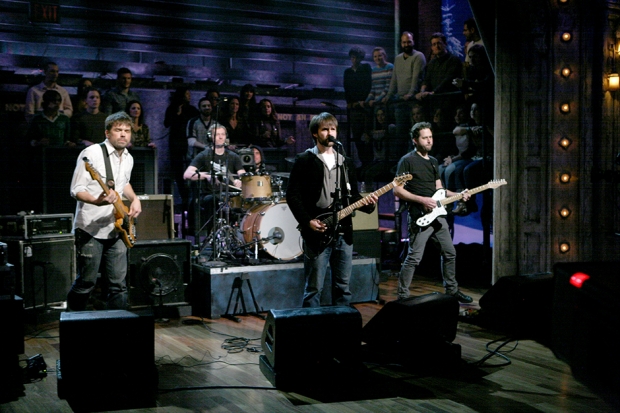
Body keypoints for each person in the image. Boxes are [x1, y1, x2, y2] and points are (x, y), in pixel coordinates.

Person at [286, 112, 377, 307]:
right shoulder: (305, 159)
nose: (330, 133)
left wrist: (368, 204)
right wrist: (307, 221)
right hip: (317, 230)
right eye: (325, 129)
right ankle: (312, 330)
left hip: (343, 232)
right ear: (315, 134)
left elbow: (352, 197)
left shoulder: (346, 162)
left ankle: (341, 329)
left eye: (333, 129)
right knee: (313, 289)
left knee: (343, 287)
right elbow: (292, 195)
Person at [67, 111, 142, 311]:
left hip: (117, 227)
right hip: (91, 228)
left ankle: (118, 328)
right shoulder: (91, 154)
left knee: (119, 285)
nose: (124, 135)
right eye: (118, 130)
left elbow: (123, 183)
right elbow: (76, 189)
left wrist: (135, 199)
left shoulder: (128, 157)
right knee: (87, 283)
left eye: (127, 131)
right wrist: (96, 201)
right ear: (107, 133)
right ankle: (73, 323)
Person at [394, 121, 473, 303]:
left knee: (450, 252)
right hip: (419, 217)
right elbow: (397, 190)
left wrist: (459, 194)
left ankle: (452, 290)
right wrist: (422, 200)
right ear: (415, 140)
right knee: (414, 257)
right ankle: (402, 296)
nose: (429, 141)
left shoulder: (434, 162)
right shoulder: (407, 161)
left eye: (430, 137)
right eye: (425, 138)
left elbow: (440, 190)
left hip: (437, 215)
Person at [183, 123, 245, 235]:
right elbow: (187, 174)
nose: (221, 137)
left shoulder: (233, 156)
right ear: (210, 137)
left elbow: (242, 174)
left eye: (223, 134)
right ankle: (214, 236)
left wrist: (240, 180)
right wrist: (206, 176)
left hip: (229, 194)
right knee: (216, 201)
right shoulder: (204, 155)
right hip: (209, 195)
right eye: (217, 134)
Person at [384, 32, 427, 157]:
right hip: (400, 100)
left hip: (413, 100)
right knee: (401, 133)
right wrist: (389, 95)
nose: (406, 44)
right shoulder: (398, 59)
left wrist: (411, 93)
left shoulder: (419, 56)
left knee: (415, 132)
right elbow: (394, 78)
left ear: (413, 42)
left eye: (409, 41)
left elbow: (416, 77)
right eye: (404, 42)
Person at [164, 87, 199, 208]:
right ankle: (183, 197)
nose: (189, 96)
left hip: (188, 143)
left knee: (191, 167)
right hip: (176, 143)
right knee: (178, 171)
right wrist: (177, 114)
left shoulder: (192, 110)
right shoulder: (172, 108)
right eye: (186, 94)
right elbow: (166, 123)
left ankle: (191, 197)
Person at [415, 32, 463, 117]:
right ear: (432, 47)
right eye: (434, 44)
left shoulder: (454, 60)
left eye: (439, 43)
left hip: (449, 101)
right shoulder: (431, 63)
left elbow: (448, 80)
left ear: (445, 44)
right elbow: (427, 80)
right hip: (434, 103)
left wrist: (434, 92)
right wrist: (422, 92)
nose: (436, 46)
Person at [344, 46, 373, 168]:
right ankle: (363, 162)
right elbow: (347, 89)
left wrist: (365, 101)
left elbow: (369, 84)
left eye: (356, 57)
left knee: (367, 135)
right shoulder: (348, 72)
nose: (354, 60)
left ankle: (369, 163)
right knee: (356, 136)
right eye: (352, 57)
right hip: (354, 107)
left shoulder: (366, 68)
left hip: (366, 106)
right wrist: (351, 103)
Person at [186, 97, 215, 161]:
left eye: (209, 106)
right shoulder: (193, 122)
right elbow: (191, 141)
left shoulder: (215, 122)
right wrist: (206, 147)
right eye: (204, 106)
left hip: (211, 157)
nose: (207, 108)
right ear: (199, 109)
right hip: (195, 157)